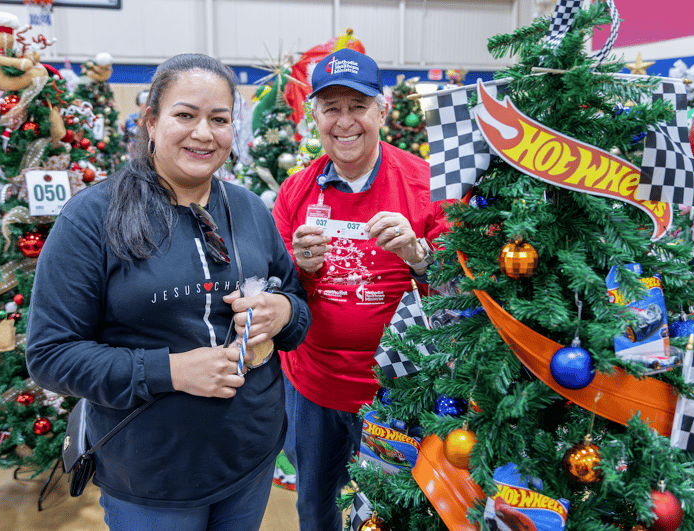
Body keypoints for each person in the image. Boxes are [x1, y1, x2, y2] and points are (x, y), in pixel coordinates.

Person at [26, 53, 311, 531]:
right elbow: (51, 355)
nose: (203, 133)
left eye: (219, 120)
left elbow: (296, 299)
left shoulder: (249, 209)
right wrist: (170, 370)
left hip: (251, 456)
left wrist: (281, 312)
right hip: (151, 477)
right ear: (151, 122)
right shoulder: (92, 218)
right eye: (185, 115)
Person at [271, 48, 450, 530]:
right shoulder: (296, 192)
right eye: (331, 108)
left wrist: (418, 256)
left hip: (398, 391)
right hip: (314, 386)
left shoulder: (425, 185)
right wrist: (299, 267)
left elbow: (463, 292)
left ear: (382, 111)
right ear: (315, 117)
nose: (344, 121)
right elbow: (276, 289)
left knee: (396, 512)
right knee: (314, 507)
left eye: (358, 106)